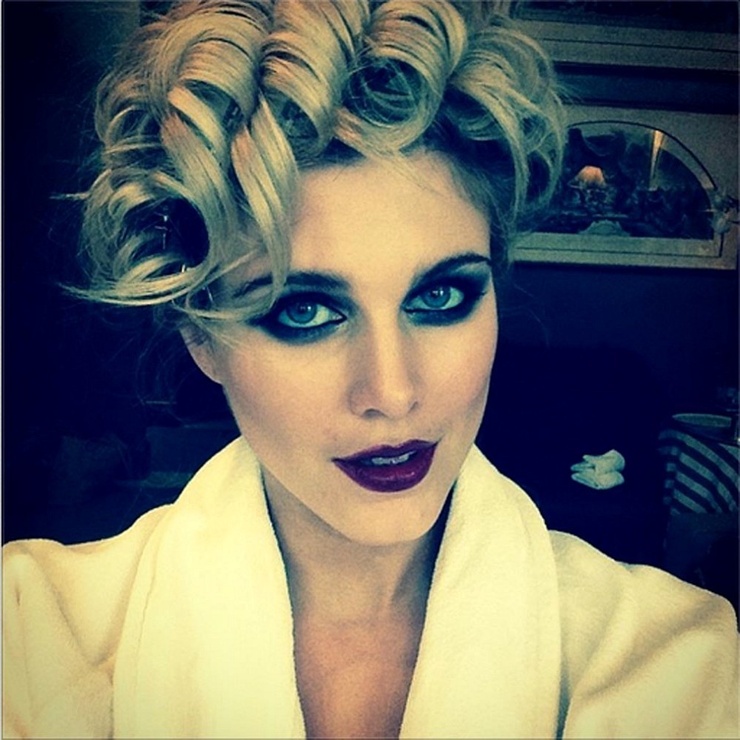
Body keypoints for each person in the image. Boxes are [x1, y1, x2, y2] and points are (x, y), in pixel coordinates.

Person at [3, 1, 737, 738]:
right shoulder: (32, 639)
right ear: (201, 336)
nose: (392, 392)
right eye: (304, 311)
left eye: (440, 296)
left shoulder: (688, 672)